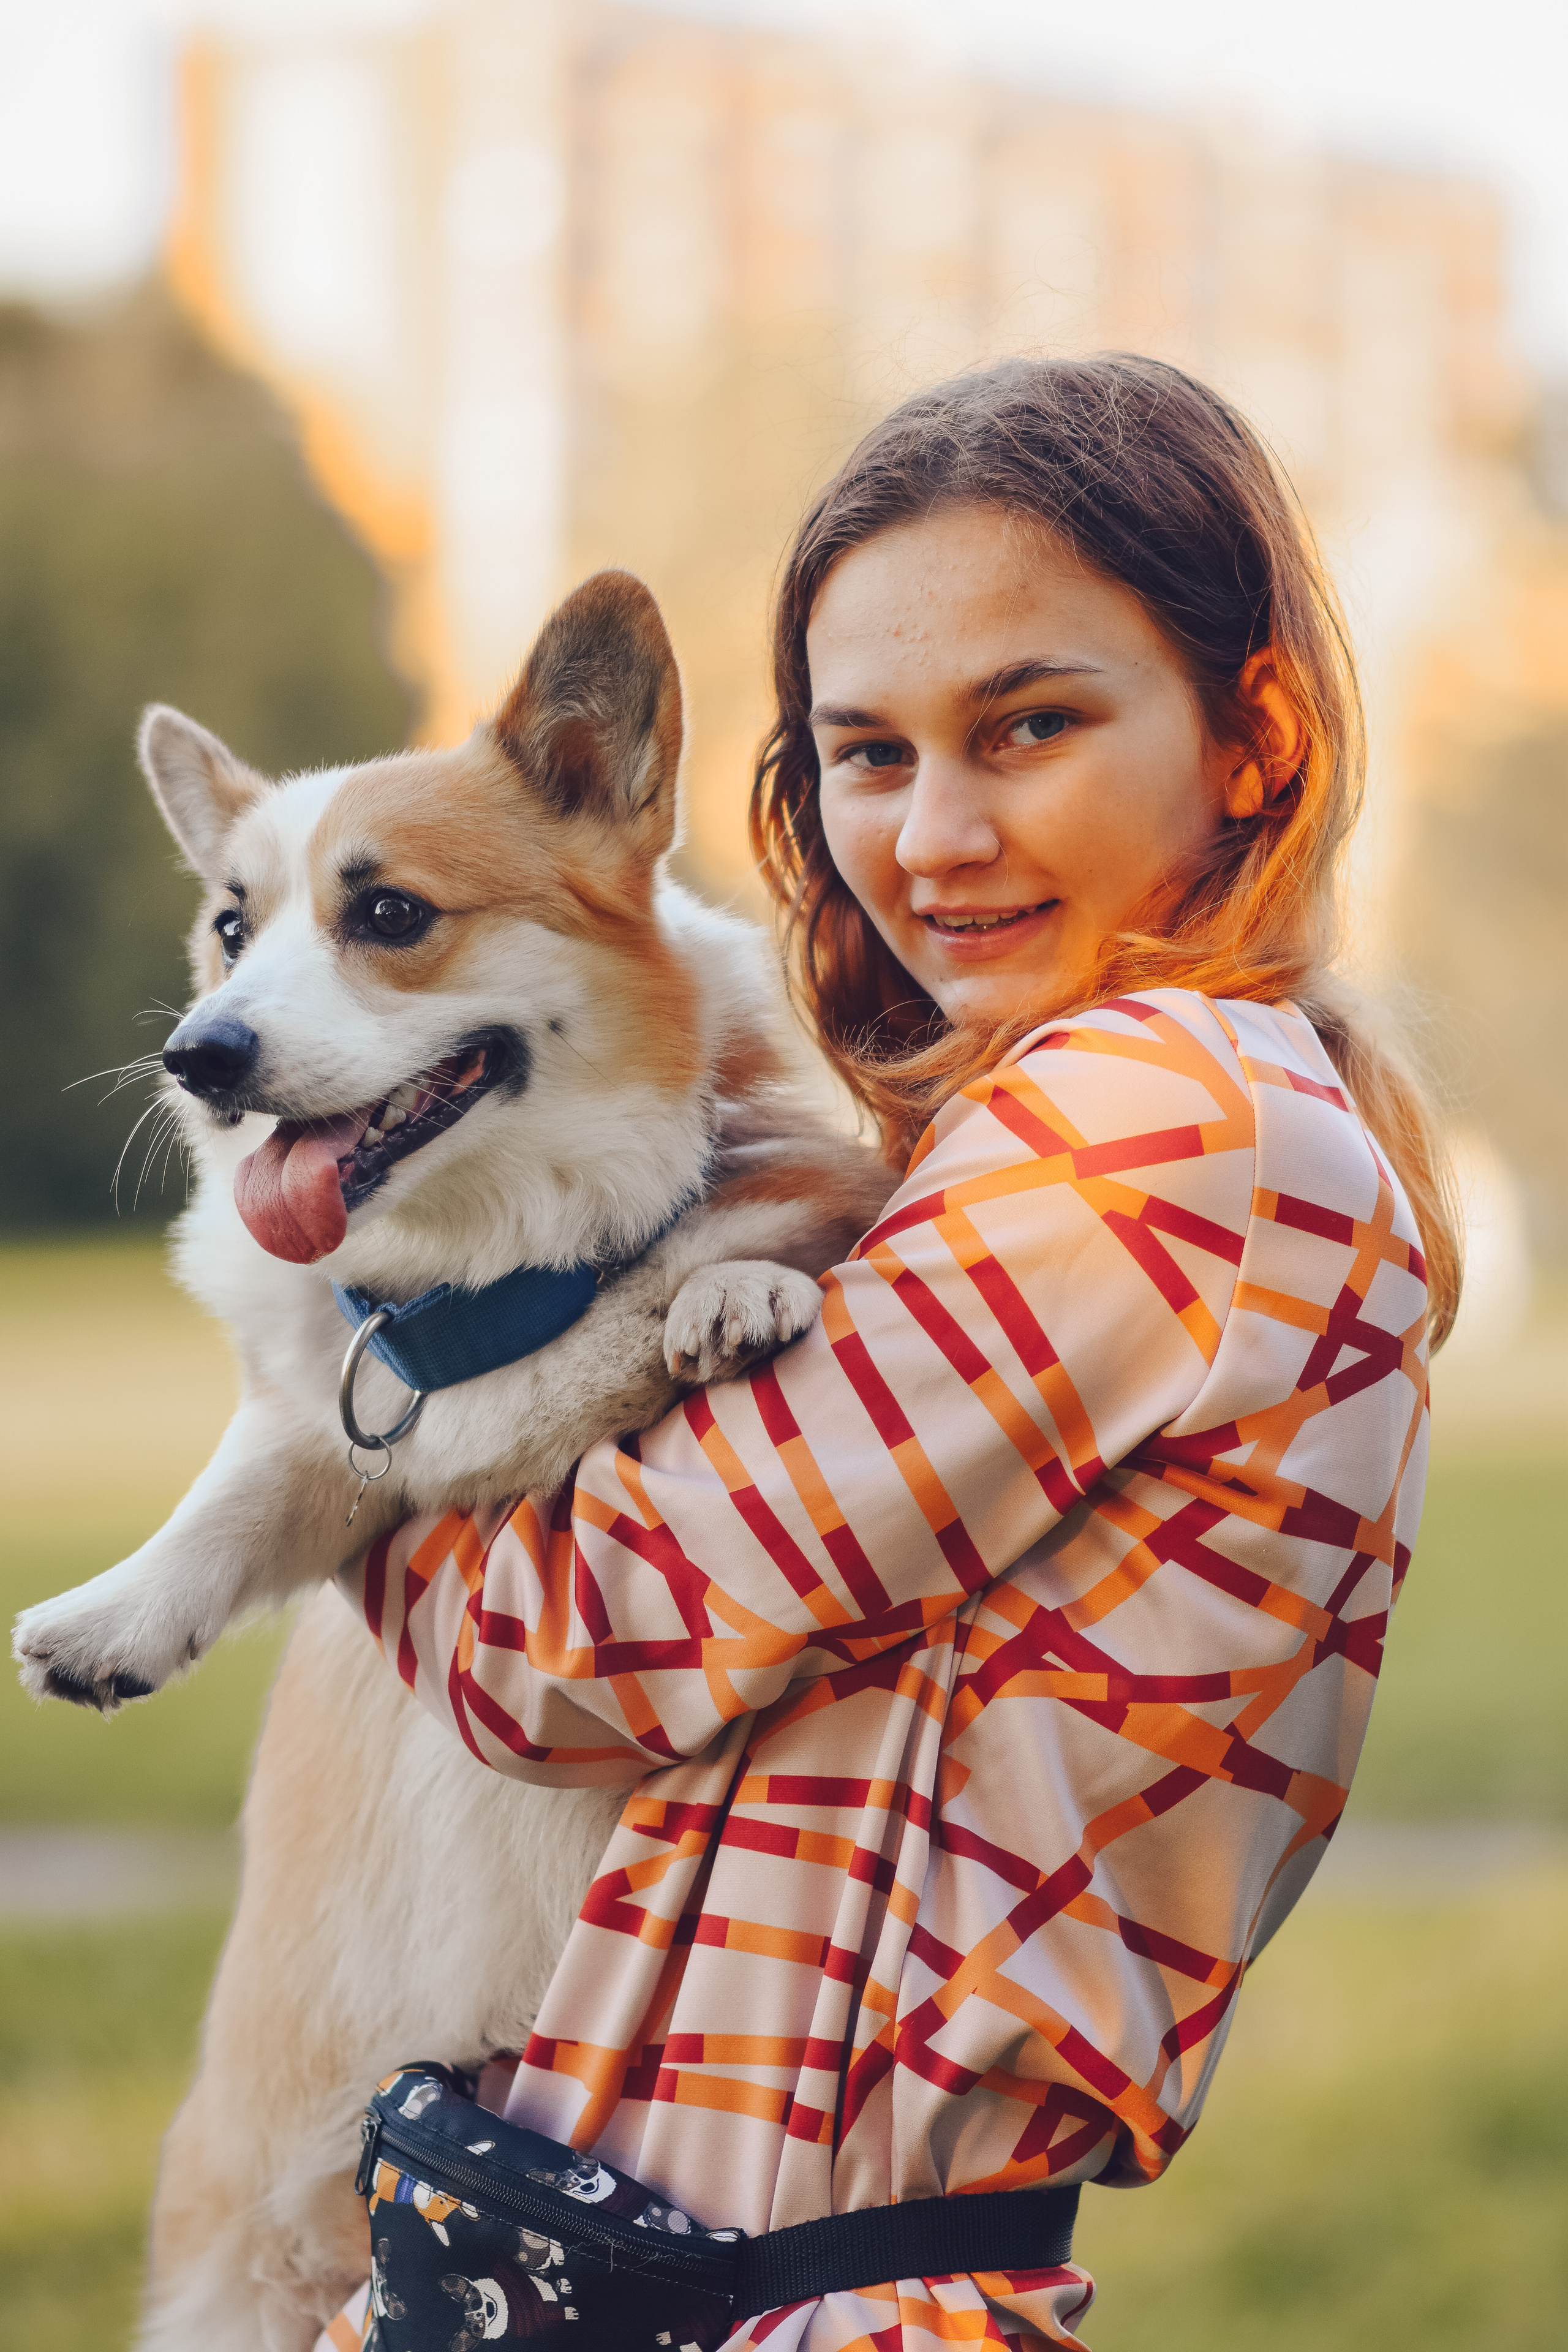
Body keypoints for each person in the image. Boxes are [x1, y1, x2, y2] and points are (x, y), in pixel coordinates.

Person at [317, 355, 1456, 2350]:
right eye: (866, 753)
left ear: (1255, 736)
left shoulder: (1166, 1122)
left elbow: (581, 1637)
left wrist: (328, 1412)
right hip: (673, 2265)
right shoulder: (1162, 1115)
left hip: (797, 2294)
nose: (933, 837)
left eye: (1030, 726)